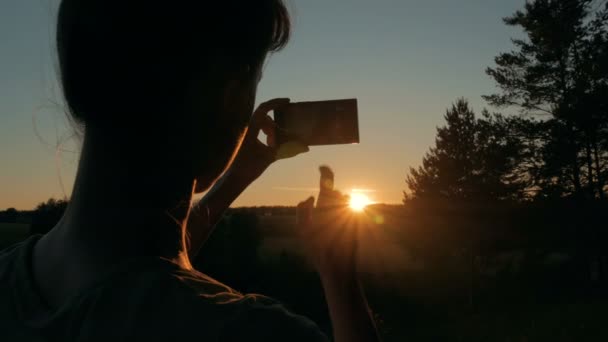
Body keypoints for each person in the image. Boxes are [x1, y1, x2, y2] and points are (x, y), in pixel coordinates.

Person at [0, 1, 381, 341]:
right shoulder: (250, 330)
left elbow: (143, 267)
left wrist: (237, 175)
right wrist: (339, 275)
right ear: (230, 102)